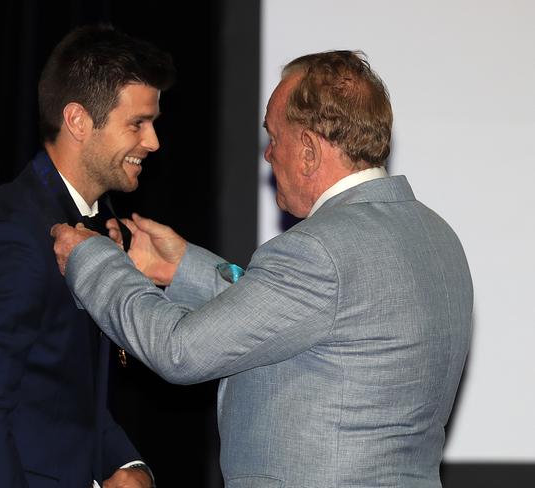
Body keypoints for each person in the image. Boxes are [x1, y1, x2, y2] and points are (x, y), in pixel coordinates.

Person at [52, 51, 473, 486]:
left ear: (308, 151)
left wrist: (94, 261)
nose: (269, 155)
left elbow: (179, 350)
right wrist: (183, 269)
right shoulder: (437, 238)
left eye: (273, 137)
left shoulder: (321, 249)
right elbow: (309, 322)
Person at [0, 23, 175, 488]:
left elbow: (64, 391)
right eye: (137, 123)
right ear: (78, 121)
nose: (153, 142)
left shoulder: (93, 218)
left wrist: (124, 464)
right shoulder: (13, 237)